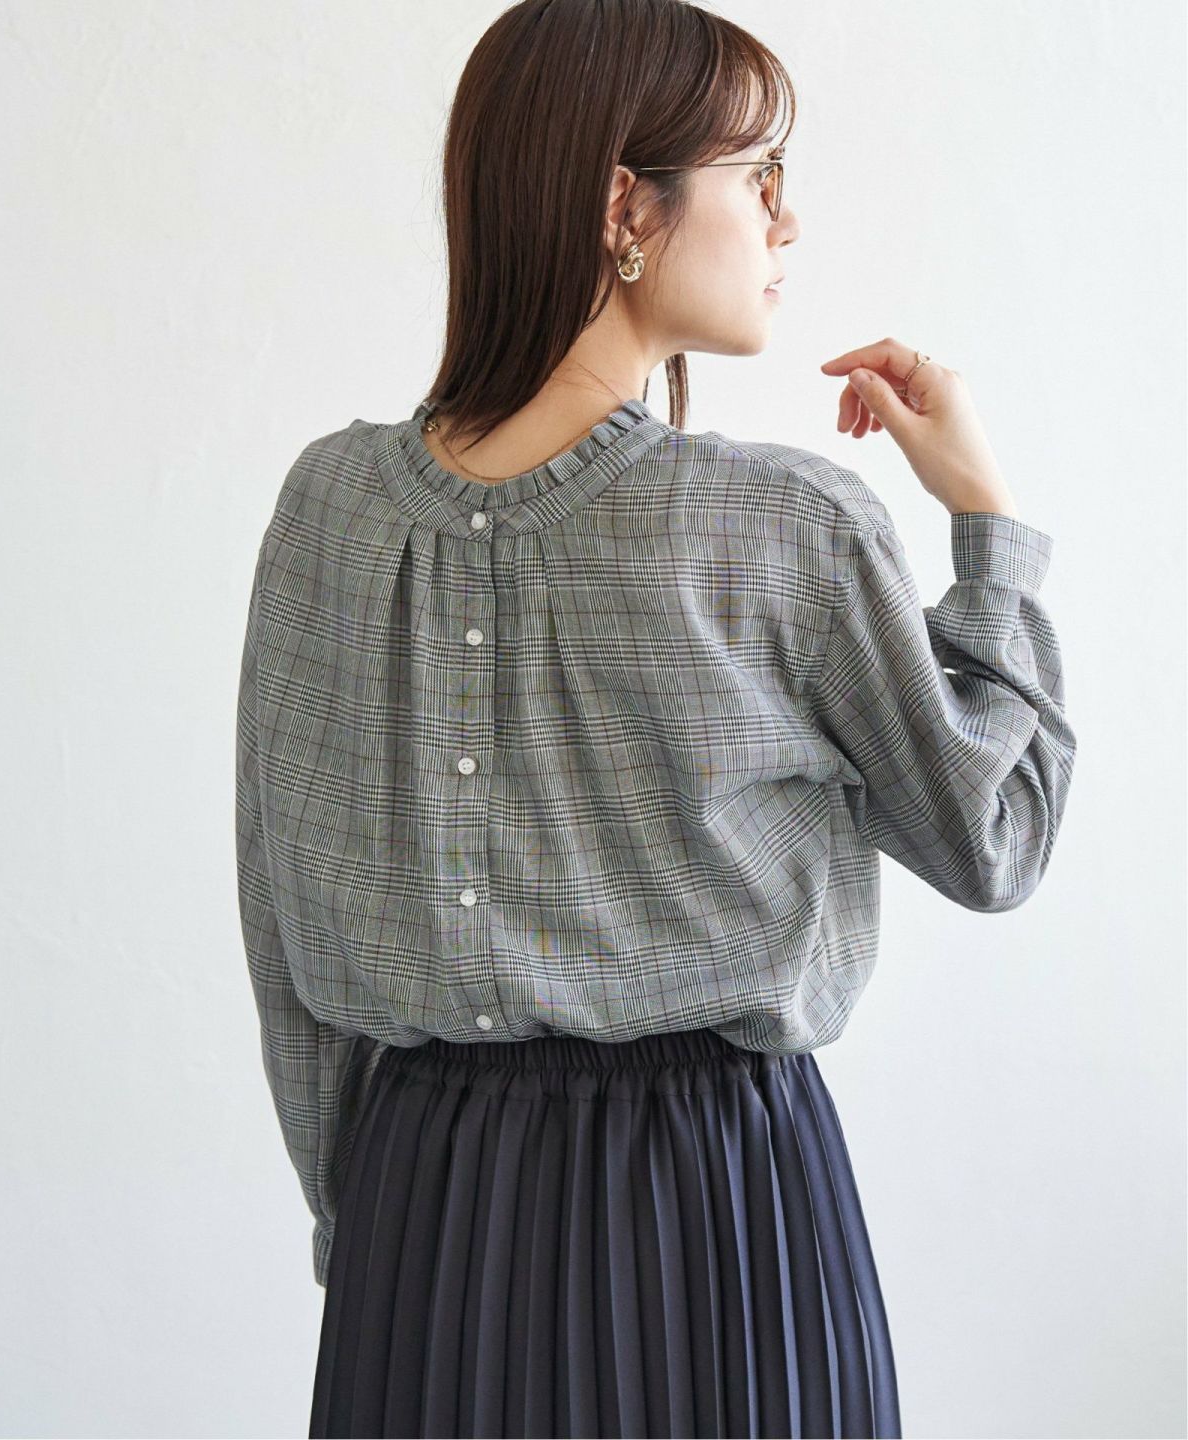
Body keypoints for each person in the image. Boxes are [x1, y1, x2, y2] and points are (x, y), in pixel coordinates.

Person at [233, 2, 1077, 1436]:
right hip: (721, 1212)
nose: (786, 219)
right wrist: (989, 528)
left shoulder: (328, 510)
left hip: (425, 1215)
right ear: (628, 207)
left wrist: (365, 1231)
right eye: (760, 174)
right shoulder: (784, 526)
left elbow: (285, 936)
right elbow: (994, 836)